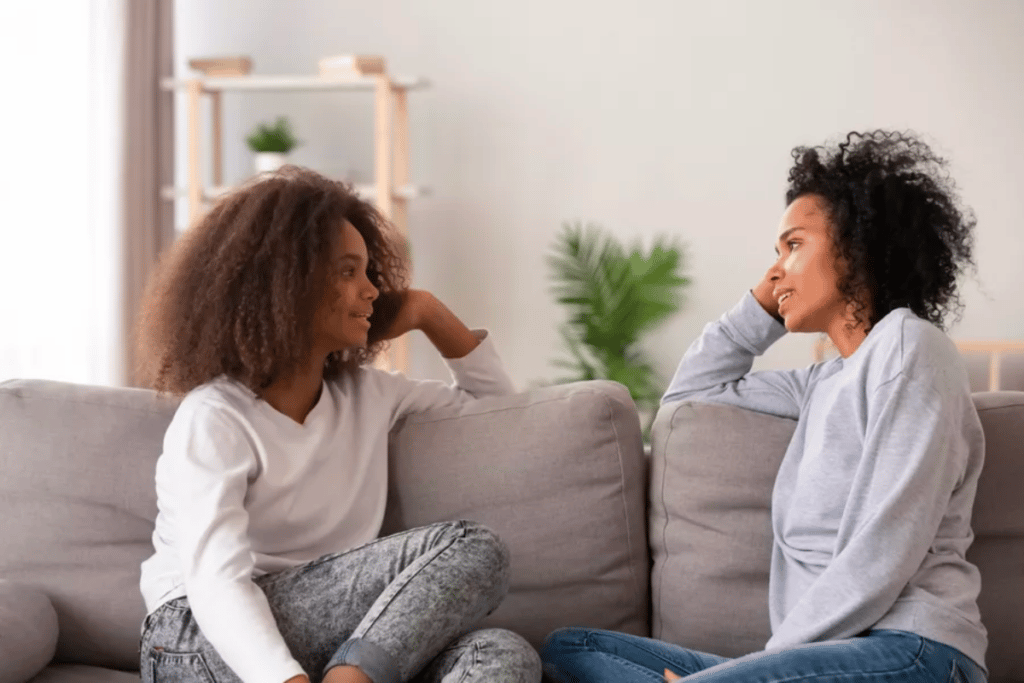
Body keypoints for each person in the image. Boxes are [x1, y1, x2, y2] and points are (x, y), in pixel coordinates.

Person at [540, 130, 988, 683]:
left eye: (793, 245)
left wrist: (763, 668)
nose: (776, 270)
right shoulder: (820, 383)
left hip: (913, 651)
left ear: (857, 248)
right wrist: (762, 306)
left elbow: (885, 548)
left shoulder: (910, 346)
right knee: (571, 650)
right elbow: (689, 398)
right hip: (811, 659)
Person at [136, 166, 541, 683]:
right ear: (284, 284)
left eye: (370, 272)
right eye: (348, 272)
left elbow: (500, 414)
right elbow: (216, 581)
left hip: (326, 637)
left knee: (500, 653)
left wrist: (427, 313)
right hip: (194, 640)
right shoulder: (214, 416)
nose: (372, 290)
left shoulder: (371, 394)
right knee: (475, 548)